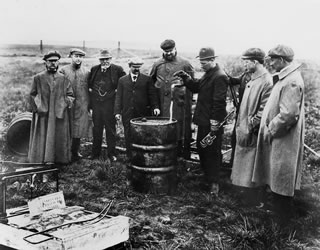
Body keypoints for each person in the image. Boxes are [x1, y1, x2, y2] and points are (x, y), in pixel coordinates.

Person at [252, 45, 305, 221]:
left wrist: (270, 129)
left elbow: (289, 115)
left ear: (282, 60)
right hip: (279, 139)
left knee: (281, 178)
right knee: (277, 177)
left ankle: (282, 226)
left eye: (273, 59)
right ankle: (278, 216)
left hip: (283, 139)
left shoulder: (291, 80)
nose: (270, 63)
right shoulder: (286, 77)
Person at [174, 47, 228, 196]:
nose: (202, 64)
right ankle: (207, 178)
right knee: (202, 148)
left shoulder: (219, 76)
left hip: (212, 123)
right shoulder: (208, 74)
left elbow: (219, 102)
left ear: (212, 60)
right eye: (201, 61)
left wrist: (215, 123)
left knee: (213, 152)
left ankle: (214, 183)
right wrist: (186, 78)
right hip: (203, 120)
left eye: (204, 62)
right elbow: (197, 87)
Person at [230, 48, 273, 204]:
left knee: (253, 165)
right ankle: (247, 195)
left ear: (256, 62)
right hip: (244, 130)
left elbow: (264, 109)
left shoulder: (266, 81)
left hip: (253, 133)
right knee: (245, 164)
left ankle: (256, 199)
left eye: (246, 61)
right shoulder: (252, 78)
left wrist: (251, 125)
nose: (244, 64)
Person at [150, 39, 194, 159]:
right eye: (166, 51)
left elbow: (192, 85)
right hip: (162, 105)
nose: (168, 53)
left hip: (179, 105)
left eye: (170, 51)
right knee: (163, 131)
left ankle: (182, 156)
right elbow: (151, 84)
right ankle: (163, 156)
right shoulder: (157, 64)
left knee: (179, 130)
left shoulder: (185, 64)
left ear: (175, 48)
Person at [28, 50, 74, 164]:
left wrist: (64, 103)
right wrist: (39, 107)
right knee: (43, 136)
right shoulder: (38, 78)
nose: (53, 63)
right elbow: (32, 95)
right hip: (44, 115)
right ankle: (40, 159)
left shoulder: (63, 79)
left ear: (58, 63)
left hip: (59, 114)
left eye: (55, 61)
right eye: (50, 61)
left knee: (58, 136)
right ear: (45, 63)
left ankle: (59, 159)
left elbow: (70, 95)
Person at [114, 57, 160, 161]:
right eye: (134, 67)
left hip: (142, 114)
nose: (136, 69)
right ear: (129, 67)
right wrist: (117, 112)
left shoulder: (146, 79)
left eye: (138, 67)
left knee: (142, 135)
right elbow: (118, 97)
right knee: (128, 135)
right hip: (127, 113)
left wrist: (155, 107)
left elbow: (152, 95)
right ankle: (130, 157)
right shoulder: (122, 80)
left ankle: (142, 157)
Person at [88, 49, 126, 161]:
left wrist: (118, 105)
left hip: (110, 105)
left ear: (111, 59)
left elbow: (123, 84)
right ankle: (95, 153)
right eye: (102, 59)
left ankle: (111, 153)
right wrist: (91, 104)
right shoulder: (94, 69)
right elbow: (89, 85)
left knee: (110, 129)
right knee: (97, 129)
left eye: (107, 59)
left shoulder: (118, 70)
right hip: (97, 105)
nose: (105, 61)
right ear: (99, 60)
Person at [60, 48, 89, 162]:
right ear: (71, 56)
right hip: (67, 105)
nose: (78, 59)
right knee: (66, 128)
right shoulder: (63, 70)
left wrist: (87, 105)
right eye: (76, 56)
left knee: (78, 129)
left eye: (80, 57)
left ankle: (75, 152)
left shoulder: (86, 72)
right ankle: (65, 153)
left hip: (81, 105)